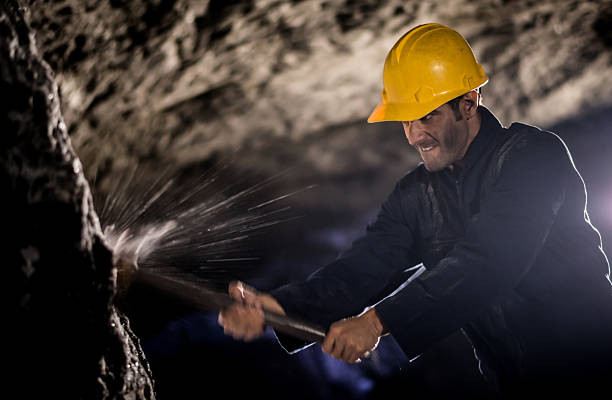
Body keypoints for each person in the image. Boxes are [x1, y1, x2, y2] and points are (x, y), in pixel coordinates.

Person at [218, 23, 612, 396]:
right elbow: (362, 269)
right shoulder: (416, 195)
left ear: (469, 103)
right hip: (516, 384)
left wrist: (376, 322)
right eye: (406, 121)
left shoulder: (533, 157)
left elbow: (491, 262)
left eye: (428, 116)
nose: (415, 135)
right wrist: (277, 307)